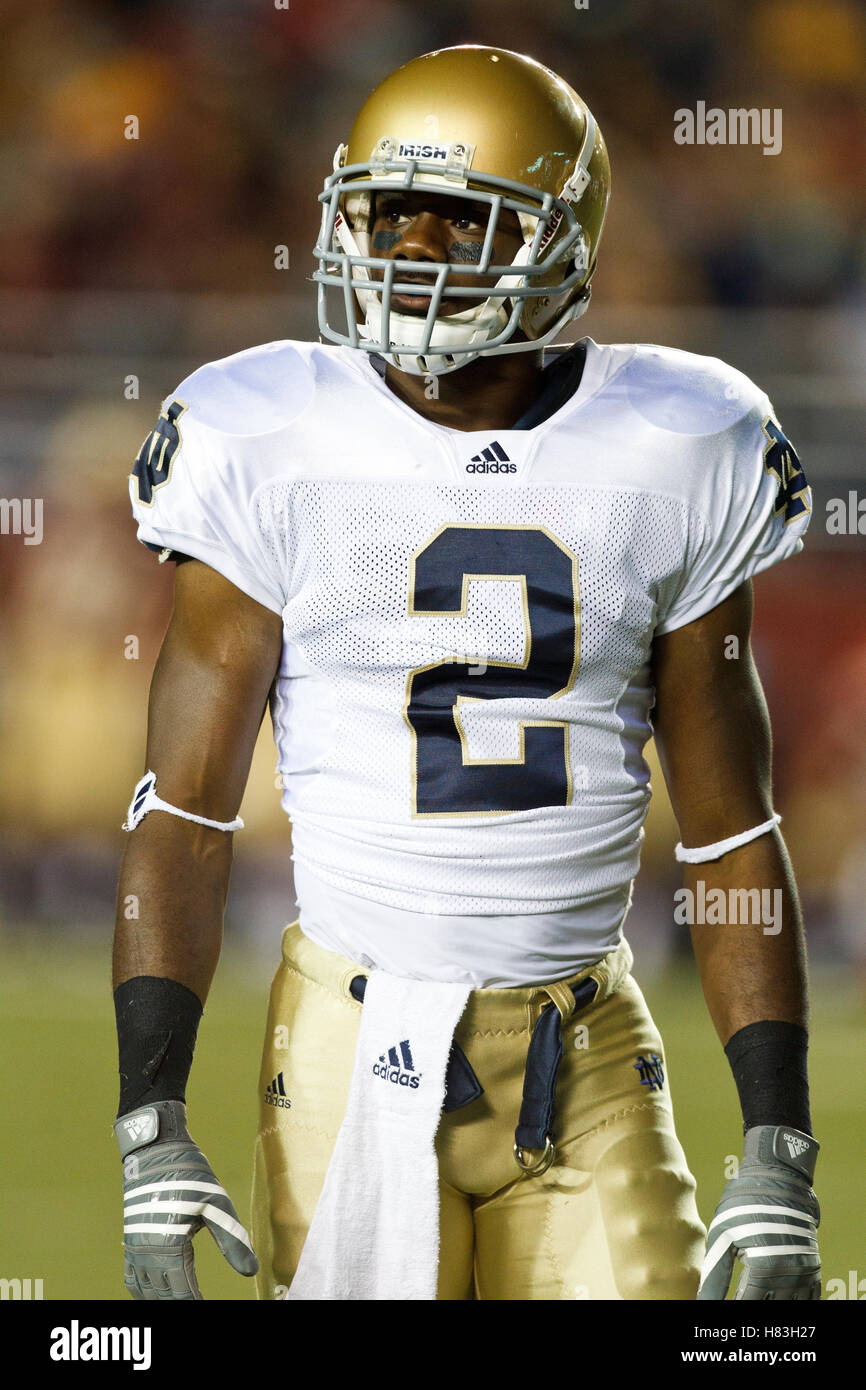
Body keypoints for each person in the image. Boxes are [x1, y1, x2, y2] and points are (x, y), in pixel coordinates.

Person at [112, 44, 821, 1301]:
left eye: (461, 216)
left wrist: (775, 1142)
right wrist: (149, 1122)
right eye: (389, 212)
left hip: (587, 1040)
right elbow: (186, 807)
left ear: (558, 239)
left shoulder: (682, 439)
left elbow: (727, 832)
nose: (412, 247)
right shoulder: (266, 431)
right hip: (349, 1033)